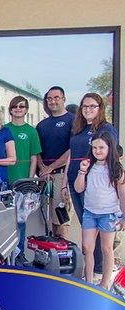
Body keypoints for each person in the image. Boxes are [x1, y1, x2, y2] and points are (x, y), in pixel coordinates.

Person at [61, 93, 118, 274]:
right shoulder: (78, 129)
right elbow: (71, 156)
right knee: (87, 227)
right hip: (74, 180)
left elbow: (113, 156)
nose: (88, 109)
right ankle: (90, 270)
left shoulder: (106, 128)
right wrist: (64, 183)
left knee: (98, 229)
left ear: (100, 108)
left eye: (92, 106)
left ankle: (100, 271)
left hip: (93, 183)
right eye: (85, 106)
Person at [74, 132, 125, 289]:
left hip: (108, 213)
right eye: (95, 147)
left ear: (109, 148)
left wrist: (123, 216)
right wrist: (82, 171)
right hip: (90, 212)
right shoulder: (89, 166)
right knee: (87, 248)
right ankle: (88, 282)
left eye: (102, 147)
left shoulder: (116, 168)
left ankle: (104, 284)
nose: (98, 151)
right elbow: (78, 188)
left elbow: (122, 193)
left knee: (106, 249)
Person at [5, 96, 42, 263]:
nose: (18, 109)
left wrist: (30, 180)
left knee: (21, 220)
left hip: (23, 183)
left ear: (26, 110)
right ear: (10, 109)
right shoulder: (4, 129)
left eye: (21, 106)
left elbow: (34, 157)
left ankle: (19, 254)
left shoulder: (31, 131)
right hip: (5, 182)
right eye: (15, 106)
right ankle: (6, 254)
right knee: (4, 220)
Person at [36, 86, 73, 238]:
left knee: (61, 219)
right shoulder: (42, 125)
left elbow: (72, 150)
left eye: (56, 97)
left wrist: (51, 167)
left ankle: (64, 254)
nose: (53, 101)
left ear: (63, 99)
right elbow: (36, 151)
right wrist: (42, 168)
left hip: (62, 176)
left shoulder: (73, 120)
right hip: (45, 178)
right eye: (49, 99)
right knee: (49, 218)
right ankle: (52, 254)